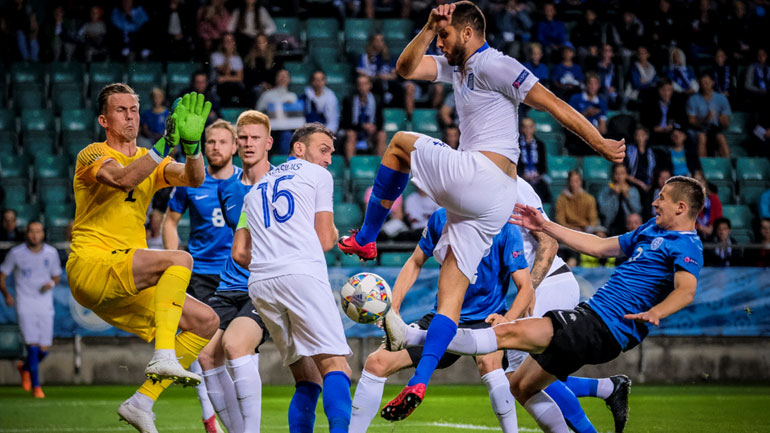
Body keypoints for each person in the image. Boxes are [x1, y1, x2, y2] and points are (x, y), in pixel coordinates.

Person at [338, 1, 625, 420]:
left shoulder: (496, 64)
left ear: (468, 32)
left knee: (399, 141)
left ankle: (365, 239)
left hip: (483, 175)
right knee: (449, 302)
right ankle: (420, 380)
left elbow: (551, 103)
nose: (440, 42)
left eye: (446, 36)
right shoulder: (457, 66)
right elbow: (405, 69)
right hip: (490, 204)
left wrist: (598, 143)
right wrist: (427, 27)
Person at [385, 175, 705, 432]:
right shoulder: (651, 230)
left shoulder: (686, 244)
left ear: (680, 207)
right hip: (591, 315)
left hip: (598, 321)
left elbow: (686, 290)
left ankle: (415, 337)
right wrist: (545, 224)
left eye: (661, 198)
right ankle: (608, 389)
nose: (654, 202)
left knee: (502, 340)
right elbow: (600, 246)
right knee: (521, 385)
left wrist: (656, 311)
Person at [65, 86, 219, 433]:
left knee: (205, 321)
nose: (131, 116)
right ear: (104, 119)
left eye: (134, 109)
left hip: (125, 275)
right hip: (92, 265)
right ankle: (164, 355)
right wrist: (165, 143)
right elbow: (123, 179)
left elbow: (195, 178)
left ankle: (141, 402)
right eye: (121, 110)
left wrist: (192, 147)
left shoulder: (154, 159)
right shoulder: (92, 154)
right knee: (179, 260)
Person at [350, 206, 536, 432]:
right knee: (376, 362)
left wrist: (507, 319)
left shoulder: (505, 226)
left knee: (490, 363)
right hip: (443, 318)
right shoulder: (440, 217)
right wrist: (394, 306)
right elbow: (415, 261)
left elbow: (525, 287)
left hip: (485, 319)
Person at [233, 123, 353, 433]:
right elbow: (326, 240)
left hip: (261, 283)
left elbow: (240, 252)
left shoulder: (255, 188)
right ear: (299, 148)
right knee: (335, 367)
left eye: (331, 153)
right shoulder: (318, 176)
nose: (328, 159)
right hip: (300, 276)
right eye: (323, 150)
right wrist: (336, 234)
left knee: (307, 378)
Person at [161, 118, 240, 433]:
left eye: (222, 142)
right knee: (202, 347)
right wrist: (174, 261)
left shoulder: (247, 180)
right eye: (210, 142)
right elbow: (169, 222)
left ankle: (240, 417)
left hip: (239, 275)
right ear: (203, 146)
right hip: (203, 275)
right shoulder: (191, 181)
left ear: (234, 146)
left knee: (239, 347)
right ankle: (210, 418)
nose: (215, 147)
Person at [197, 111, 273, 433]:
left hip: (266, 284)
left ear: (268, 142)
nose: (247, 143)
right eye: (242, 138)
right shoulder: (227, 188)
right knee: (203, 354)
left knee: (236, 345)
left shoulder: (280, 182)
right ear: (235, 144)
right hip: (229, 283)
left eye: (254, 137)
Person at [0, 222, 61, 399]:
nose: (35, 235)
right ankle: (36, 387)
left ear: (43, 233)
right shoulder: (16, 254)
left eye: (38, 231)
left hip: (45, 303)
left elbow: (56, 276)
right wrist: (6, 295)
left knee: (44, 349)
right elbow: (2, 276)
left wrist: (50, 283)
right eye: (32, 231)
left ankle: (24, 367)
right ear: (26, 234)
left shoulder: (51, 253)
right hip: (25, 303)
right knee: (32, 347)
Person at [256, 69, 304, 154]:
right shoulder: (267, 95)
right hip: (271, 129)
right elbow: (258, 112)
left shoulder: (292, 96)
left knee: (288, 136)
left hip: (286, 129)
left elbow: (296, 116)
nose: (283, 78)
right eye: (281, 76)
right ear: (276, 78)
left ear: (289, 79)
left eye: (285, 76)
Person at [686, 73, 731, 157]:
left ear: (712, 83)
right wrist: (705, 119)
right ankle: (703, 167)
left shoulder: (722, 98)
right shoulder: (692, 99)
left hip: (715, 128)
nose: (704, 86)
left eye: (706, 83)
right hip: (699, 128)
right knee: (702, 138)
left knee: (721, 138)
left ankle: (728, 167)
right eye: (702, 83)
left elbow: (726, 124)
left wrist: (722, 120)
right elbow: (691, 121)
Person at [341, 74, 386, 159]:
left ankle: (380, 165)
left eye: (365, 84)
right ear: (357, 86)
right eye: (360, 84)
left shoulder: (377, 99)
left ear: (370, 85)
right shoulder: (349, 100)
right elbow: (345, 123)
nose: (362, 87)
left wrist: (373, 127)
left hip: (371, 133)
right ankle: (350, 166)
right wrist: (362, 126)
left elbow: (381, 122)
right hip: (355, 132)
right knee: (351, 134)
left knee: (382, 135)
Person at [598, 163, 642, 236]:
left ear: (626, 175)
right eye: (617, 174)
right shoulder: (606, 191)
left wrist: (628, 197)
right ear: (613, 175)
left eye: (622, 173)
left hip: (629, 225)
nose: (619, 177)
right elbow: (604, 211)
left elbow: (637, 211)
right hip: (611, 224)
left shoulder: (633, 190)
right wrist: (613, 195)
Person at [518, 117, 551, 202]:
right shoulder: (517, 145)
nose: (528, 130)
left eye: (530, 127)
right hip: (521, 178)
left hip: (537, 179)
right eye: (525, 127)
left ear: (534, 128)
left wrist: (537, 174)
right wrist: (522, 175)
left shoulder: (540, 145)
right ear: (522, 129)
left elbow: (543, 167)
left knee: (543, 191)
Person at [210, 33, 246, 107]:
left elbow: (239, 78)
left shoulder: (237, 58)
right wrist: (228, 56)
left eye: (230, 40)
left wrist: (225, 78)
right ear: (222, 43)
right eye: (226, 41)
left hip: (232, 84)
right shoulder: (215, 56)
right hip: (217, 85)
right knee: (226, 89)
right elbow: (225, 72)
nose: (228, 43)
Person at [303, 70, 340, 134]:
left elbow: (333, 120)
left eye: (321, 80)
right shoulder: (305, 97)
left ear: (324, 81)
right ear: (312, 82)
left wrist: (327, 133)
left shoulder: (331, 97)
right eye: (316, 80)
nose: (319, 82)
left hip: (325, 130)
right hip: (307, 131)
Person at [693, 170, 722, 240]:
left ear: (704, 182)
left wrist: (712, 227)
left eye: (700, 180)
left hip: (713, 231)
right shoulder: (688, 201)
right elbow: (686, 221)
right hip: (696, 232)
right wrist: (700, 227)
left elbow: (719, 219)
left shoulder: (714, 199)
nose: (698, 183)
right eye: (695, 181)